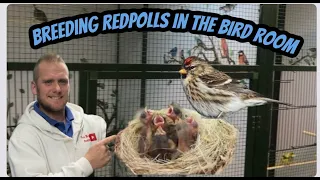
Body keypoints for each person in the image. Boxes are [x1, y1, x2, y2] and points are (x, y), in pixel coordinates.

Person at [8, 53, 117, 177]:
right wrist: (87, 164)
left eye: (63, 81)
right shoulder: (23, 138)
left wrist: (140, 130)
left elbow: (126, 146)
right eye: (48, 82)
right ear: (34, 87)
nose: (57, 88)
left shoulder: (88, 124)